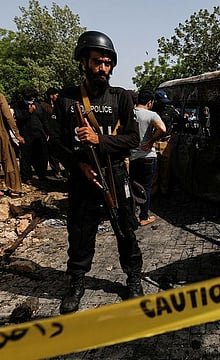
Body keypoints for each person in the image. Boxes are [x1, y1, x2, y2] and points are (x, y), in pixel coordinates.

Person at [52, 30, 144, 314]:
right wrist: (78, 164)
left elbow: (132, 139)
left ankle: (133, 278)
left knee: (126, 229)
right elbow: (55, 143)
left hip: (115, 176)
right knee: (80, 233)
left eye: (107, 63)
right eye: (96, 62)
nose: (102, 68)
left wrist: (99, 140)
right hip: (82, 179)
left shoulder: (121, 98)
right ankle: (77, 282)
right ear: (83, 62)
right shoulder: (67, 99)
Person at [130, 89, 166, 226]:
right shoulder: (152, 115)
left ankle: (131, 215)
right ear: (150, 102)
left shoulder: (129, 113)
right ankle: (143, 217)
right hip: (148, 156)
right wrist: (151, 141)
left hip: (133, 156)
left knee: (133, 186)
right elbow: (162, 129)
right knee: (146, 187)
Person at [13, 87, 49, 183]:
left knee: (41, 156)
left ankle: (42, 175)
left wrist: (47, 132)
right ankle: (27, 177)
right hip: (26, 135)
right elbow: (19, 119)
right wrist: (29, 113)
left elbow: (44, 120)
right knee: (26, 157)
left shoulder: (39, 105)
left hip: (39, 134)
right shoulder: (18, 106)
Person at [0, 92, 25, 197]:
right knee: (8, 159)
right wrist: (17, 134)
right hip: (1, 134)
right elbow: (8, 117)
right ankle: (13, 188)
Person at [41, 87, 64, 178]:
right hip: (49, 133)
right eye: (56, 95)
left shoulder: (60, 105)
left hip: (59, 132)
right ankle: (56, 170)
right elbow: (44, 121)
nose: (57, 97)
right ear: (51, 96)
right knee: (53, 153)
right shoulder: (44, 106)